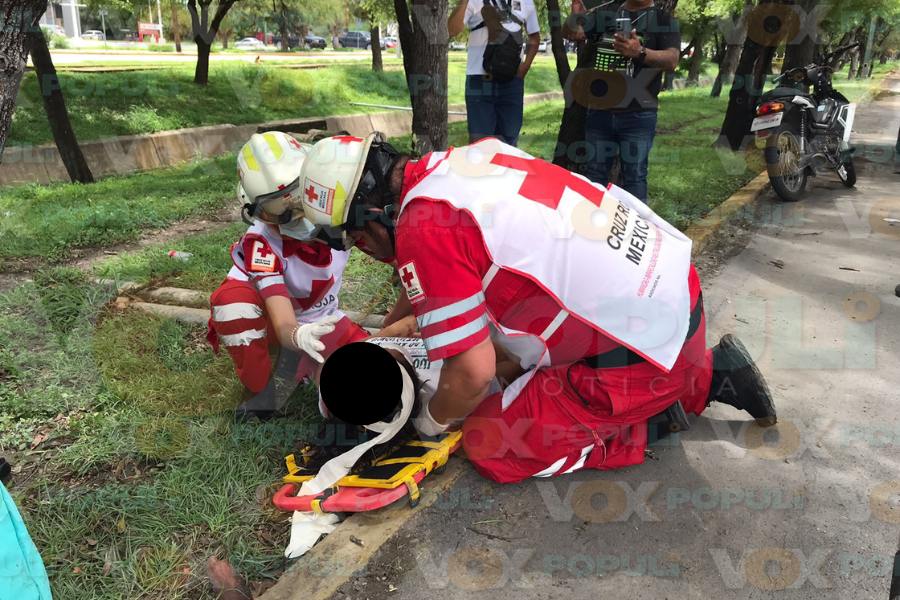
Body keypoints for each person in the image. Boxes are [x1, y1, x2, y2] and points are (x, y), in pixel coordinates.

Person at [295, 133, 777, 484]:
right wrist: (408, 321)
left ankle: (656, 420)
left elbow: (471, 374)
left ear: (373, 215)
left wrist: (429, 422)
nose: (364, 251)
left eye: (357, 239)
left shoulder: (425, 228)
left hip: (642, 354)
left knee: (488, 438)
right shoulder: (468, 158)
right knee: (511, 360)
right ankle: (711, 372)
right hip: (673, 297)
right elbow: (465, 271)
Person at [206, 132, 369, 419]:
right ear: (257, 211)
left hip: (323, 318)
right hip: (274, 317)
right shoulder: (262, 242)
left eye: (297, 196)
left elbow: (397, 255)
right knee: (233, 304)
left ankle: (298, 363)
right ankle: (261, 393)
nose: (293, 214)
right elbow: (284, 323)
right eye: (276, 209)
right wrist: (297, 335)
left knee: (367, 375)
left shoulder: (339, 207)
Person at [564, 0, 680, 202]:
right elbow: (573, 33)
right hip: (599, 110)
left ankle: (635, 230)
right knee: (594, 175)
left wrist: (640, 52)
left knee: (635, 177)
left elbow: (672, 60)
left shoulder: (663, 19)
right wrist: (574, 16)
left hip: (639, 113)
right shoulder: (606, 13)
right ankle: (593, 228)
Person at [448, 0, 542, 146]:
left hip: (512, 82)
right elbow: (452, 30)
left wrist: (524, 69)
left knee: (509, 144)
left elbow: (534, 37)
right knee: (480, 146)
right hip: (480, 82)